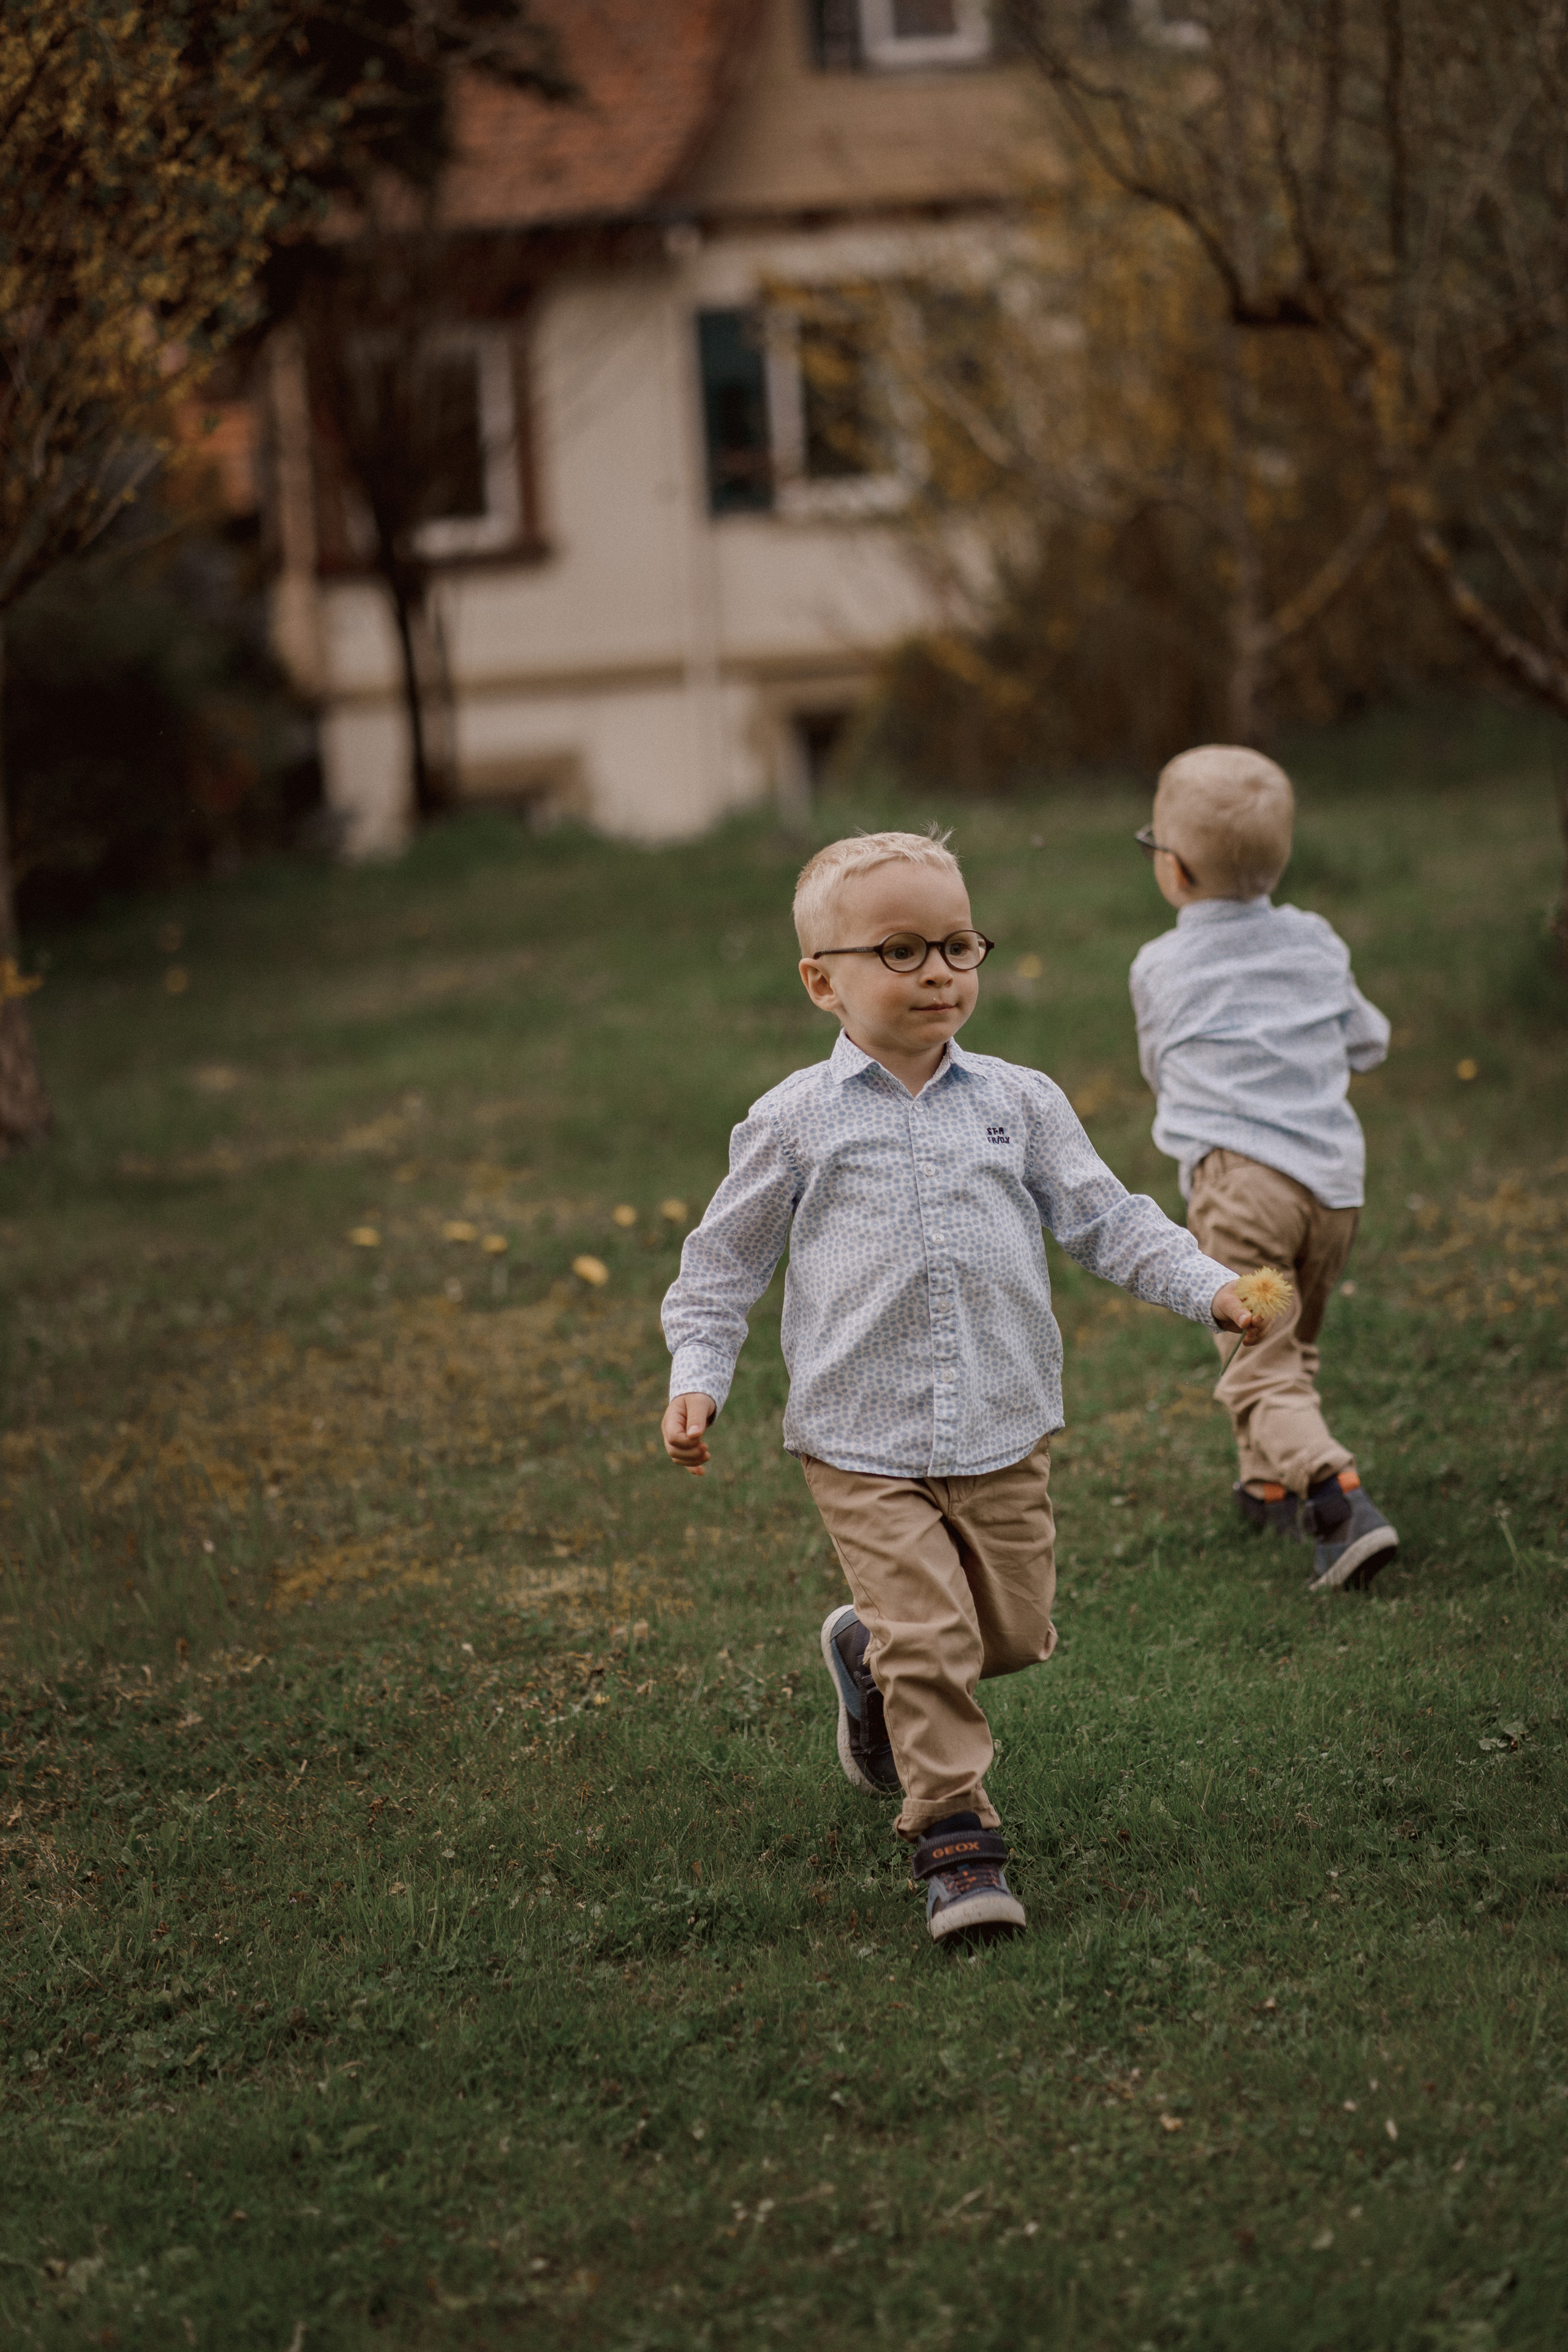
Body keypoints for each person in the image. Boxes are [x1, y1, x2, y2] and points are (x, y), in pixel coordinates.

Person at [659, 829, 1260, 1947]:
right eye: (900, 950)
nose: (939, 971)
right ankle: (956, 1838)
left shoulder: (1021, 1102)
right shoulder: (796, 1121)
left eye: (957, 945)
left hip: (1002, 1420)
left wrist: (1212, 1287)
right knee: (933, 1644)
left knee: (1016, 1634)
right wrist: (700, 1376)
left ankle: (868, 1654)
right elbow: (724, 1262)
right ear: (822, 983)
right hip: (859, 1435)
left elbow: (1109, 1218)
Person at [1129, 744, 1398, 1594]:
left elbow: (1159, 1067)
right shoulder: (1316, 940)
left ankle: (1335, 1495)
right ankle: (1266, 1484)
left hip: (1244, 1196)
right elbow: (1371, 1040)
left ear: (1172, 870)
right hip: (1331, 1194)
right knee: (1290, 1345)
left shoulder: (1161, 966)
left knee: (1258, 1363)